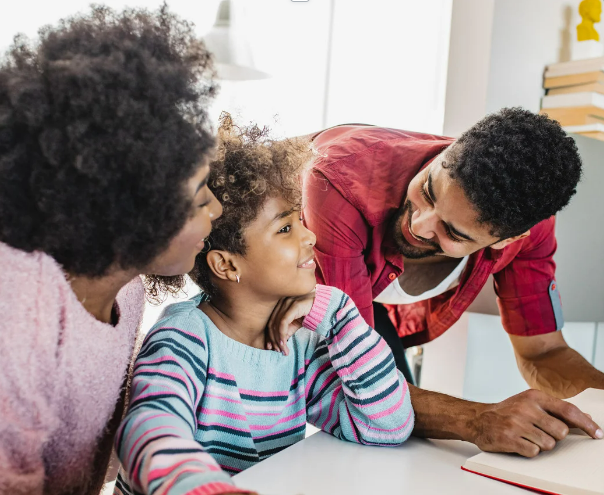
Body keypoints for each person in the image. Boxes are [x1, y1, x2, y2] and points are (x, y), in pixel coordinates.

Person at [114, 118, 414, 495]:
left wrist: (339, 313)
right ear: (226, 264)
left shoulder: (300, 340)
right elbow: (151, 426)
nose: (311, 236)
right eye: (285, 228)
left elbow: (387, 426)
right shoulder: (184, 337)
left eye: (299, 220)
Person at [0, 6, 222, 495]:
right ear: (131, 207)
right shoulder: (19, 298)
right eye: (201, 196)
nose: (218, 210)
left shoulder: (130, 295)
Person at [302, 108, 604, 458]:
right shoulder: (340, 182)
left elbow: (544, 352)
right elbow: (357, 376)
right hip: (244, 286)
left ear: (509, 240)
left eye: (452, 232)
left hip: (362, 312)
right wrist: (476, 419)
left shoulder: (528, 229)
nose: (419, 225)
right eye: (428, 191)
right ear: (450, 150)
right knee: (376, 417)